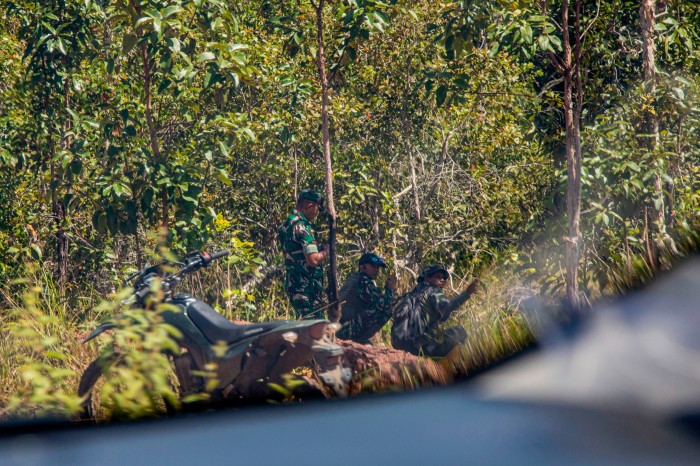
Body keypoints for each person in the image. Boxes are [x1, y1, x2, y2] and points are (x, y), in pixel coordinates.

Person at [391, 264, 479, 358]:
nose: (442, 280)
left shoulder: (410, 295)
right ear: (427, 278)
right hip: (426, 348)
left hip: (407, 347)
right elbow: (448, 307)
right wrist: (467, 293)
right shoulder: (433, 291)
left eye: (444, 278)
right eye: (438, 277)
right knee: (460, 331)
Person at [278, 189, 329, 318]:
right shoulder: (303, 227)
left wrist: (319, 246)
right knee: (314, 327)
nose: (317, 213)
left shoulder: (287, 224)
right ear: (309, 206)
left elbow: (297, 250)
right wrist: (327, 251)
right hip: (306, 287)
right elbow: (313, 259)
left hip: (294, 284)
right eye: (317, 209)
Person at [337, 252, 397, 344]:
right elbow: (384, 304)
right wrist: (389, 290)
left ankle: (360, 339)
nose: (376, 270)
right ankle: (359, 339)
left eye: (378, 267)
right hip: (346, 330)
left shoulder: (357, 278)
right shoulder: (363, 281)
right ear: (362, 267)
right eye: (373, 266)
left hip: (342, 326)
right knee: (387, 309)